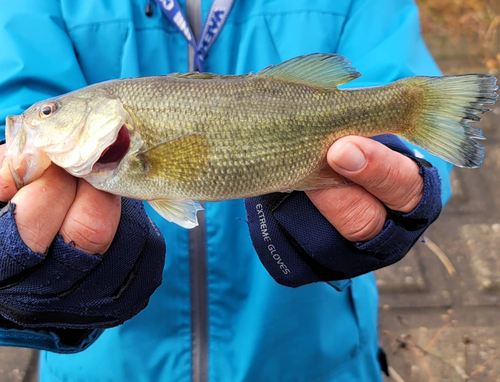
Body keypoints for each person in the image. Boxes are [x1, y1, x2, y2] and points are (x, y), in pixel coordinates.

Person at [0, 0, 451, 381]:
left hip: (311, 355)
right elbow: (12, 101)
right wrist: (17, 272)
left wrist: (404, 188)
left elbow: (412, 135)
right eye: (48, 112)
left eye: (49, 113)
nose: (35, 120)